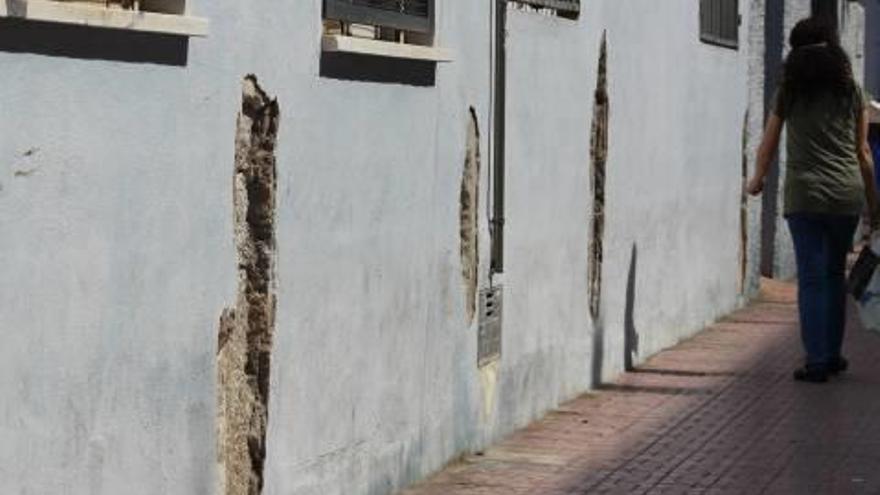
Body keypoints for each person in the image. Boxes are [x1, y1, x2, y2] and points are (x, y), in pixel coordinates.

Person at [747, 17, 879, 383]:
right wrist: (873, 203)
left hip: (803, 196)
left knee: (811, 279)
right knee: (834, 275)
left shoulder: (790, 89)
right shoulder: (851, 90)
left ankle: (817, 360)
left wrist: (757, 179)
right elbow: (864, 152)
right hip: (844, 196)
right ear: (833, 46)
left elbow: (769, 142)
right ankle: (833, 355)